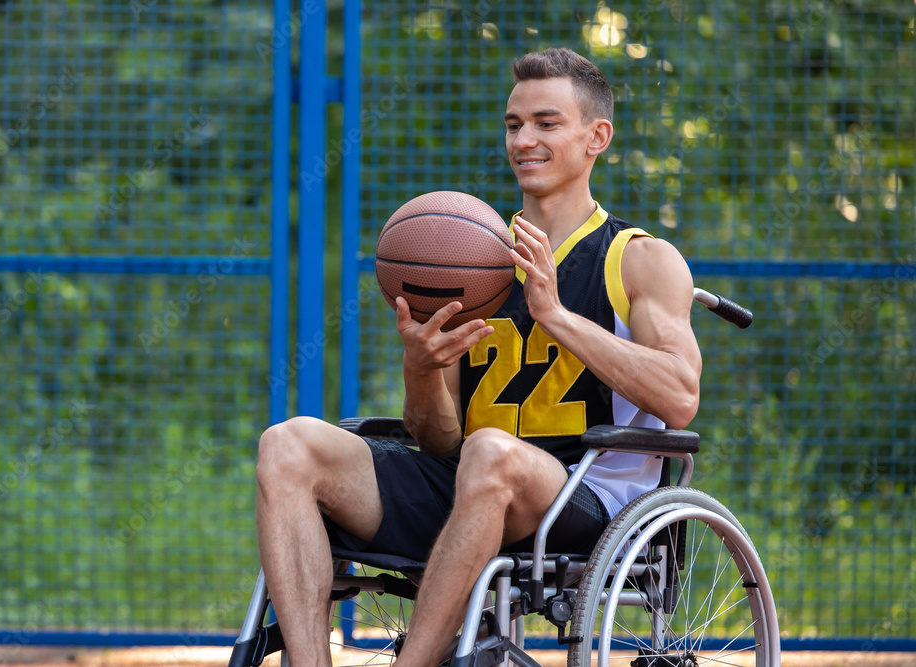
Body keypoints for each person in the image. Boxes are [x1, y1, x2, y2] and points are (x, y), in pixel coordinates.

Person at [255, 47, 702, 666]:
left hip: (587, 498)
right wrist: (422, 367)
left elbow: (680, 396)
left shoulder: (638, 258)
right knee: (289, 443)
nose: (524, 140)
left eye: (547, 123)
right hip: (473, 484)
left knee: (490, 450)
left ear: (597, 136)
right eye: (514, 125)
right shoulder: (471, 260)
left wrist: (557, 317)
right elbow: (438, 441)